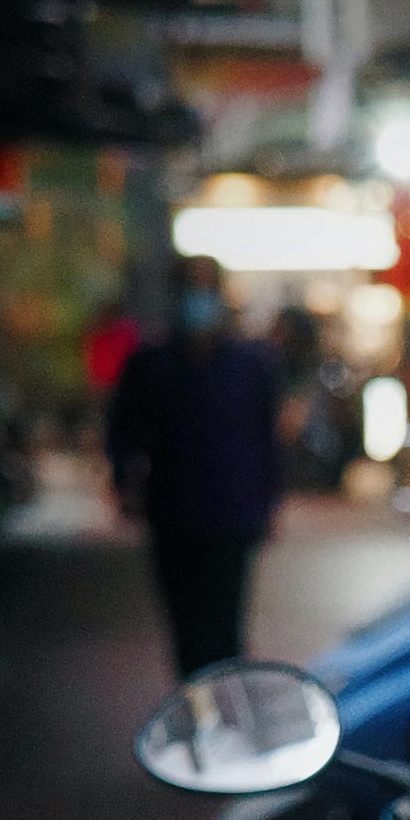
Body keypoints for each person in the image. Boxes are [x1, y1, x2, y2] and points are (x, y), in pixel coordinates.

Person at [107, 258, 279, 677]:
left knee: (225, 629)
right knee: (186, 630)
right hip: (174, 515)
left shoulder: (250, 364)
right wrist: (124, 482)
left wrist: (269, 503)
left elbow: (268, 439)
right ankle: (196, 715)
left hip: (232, 518)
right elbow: (123, 430)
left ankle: (226, 719)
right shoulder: (150, 365)